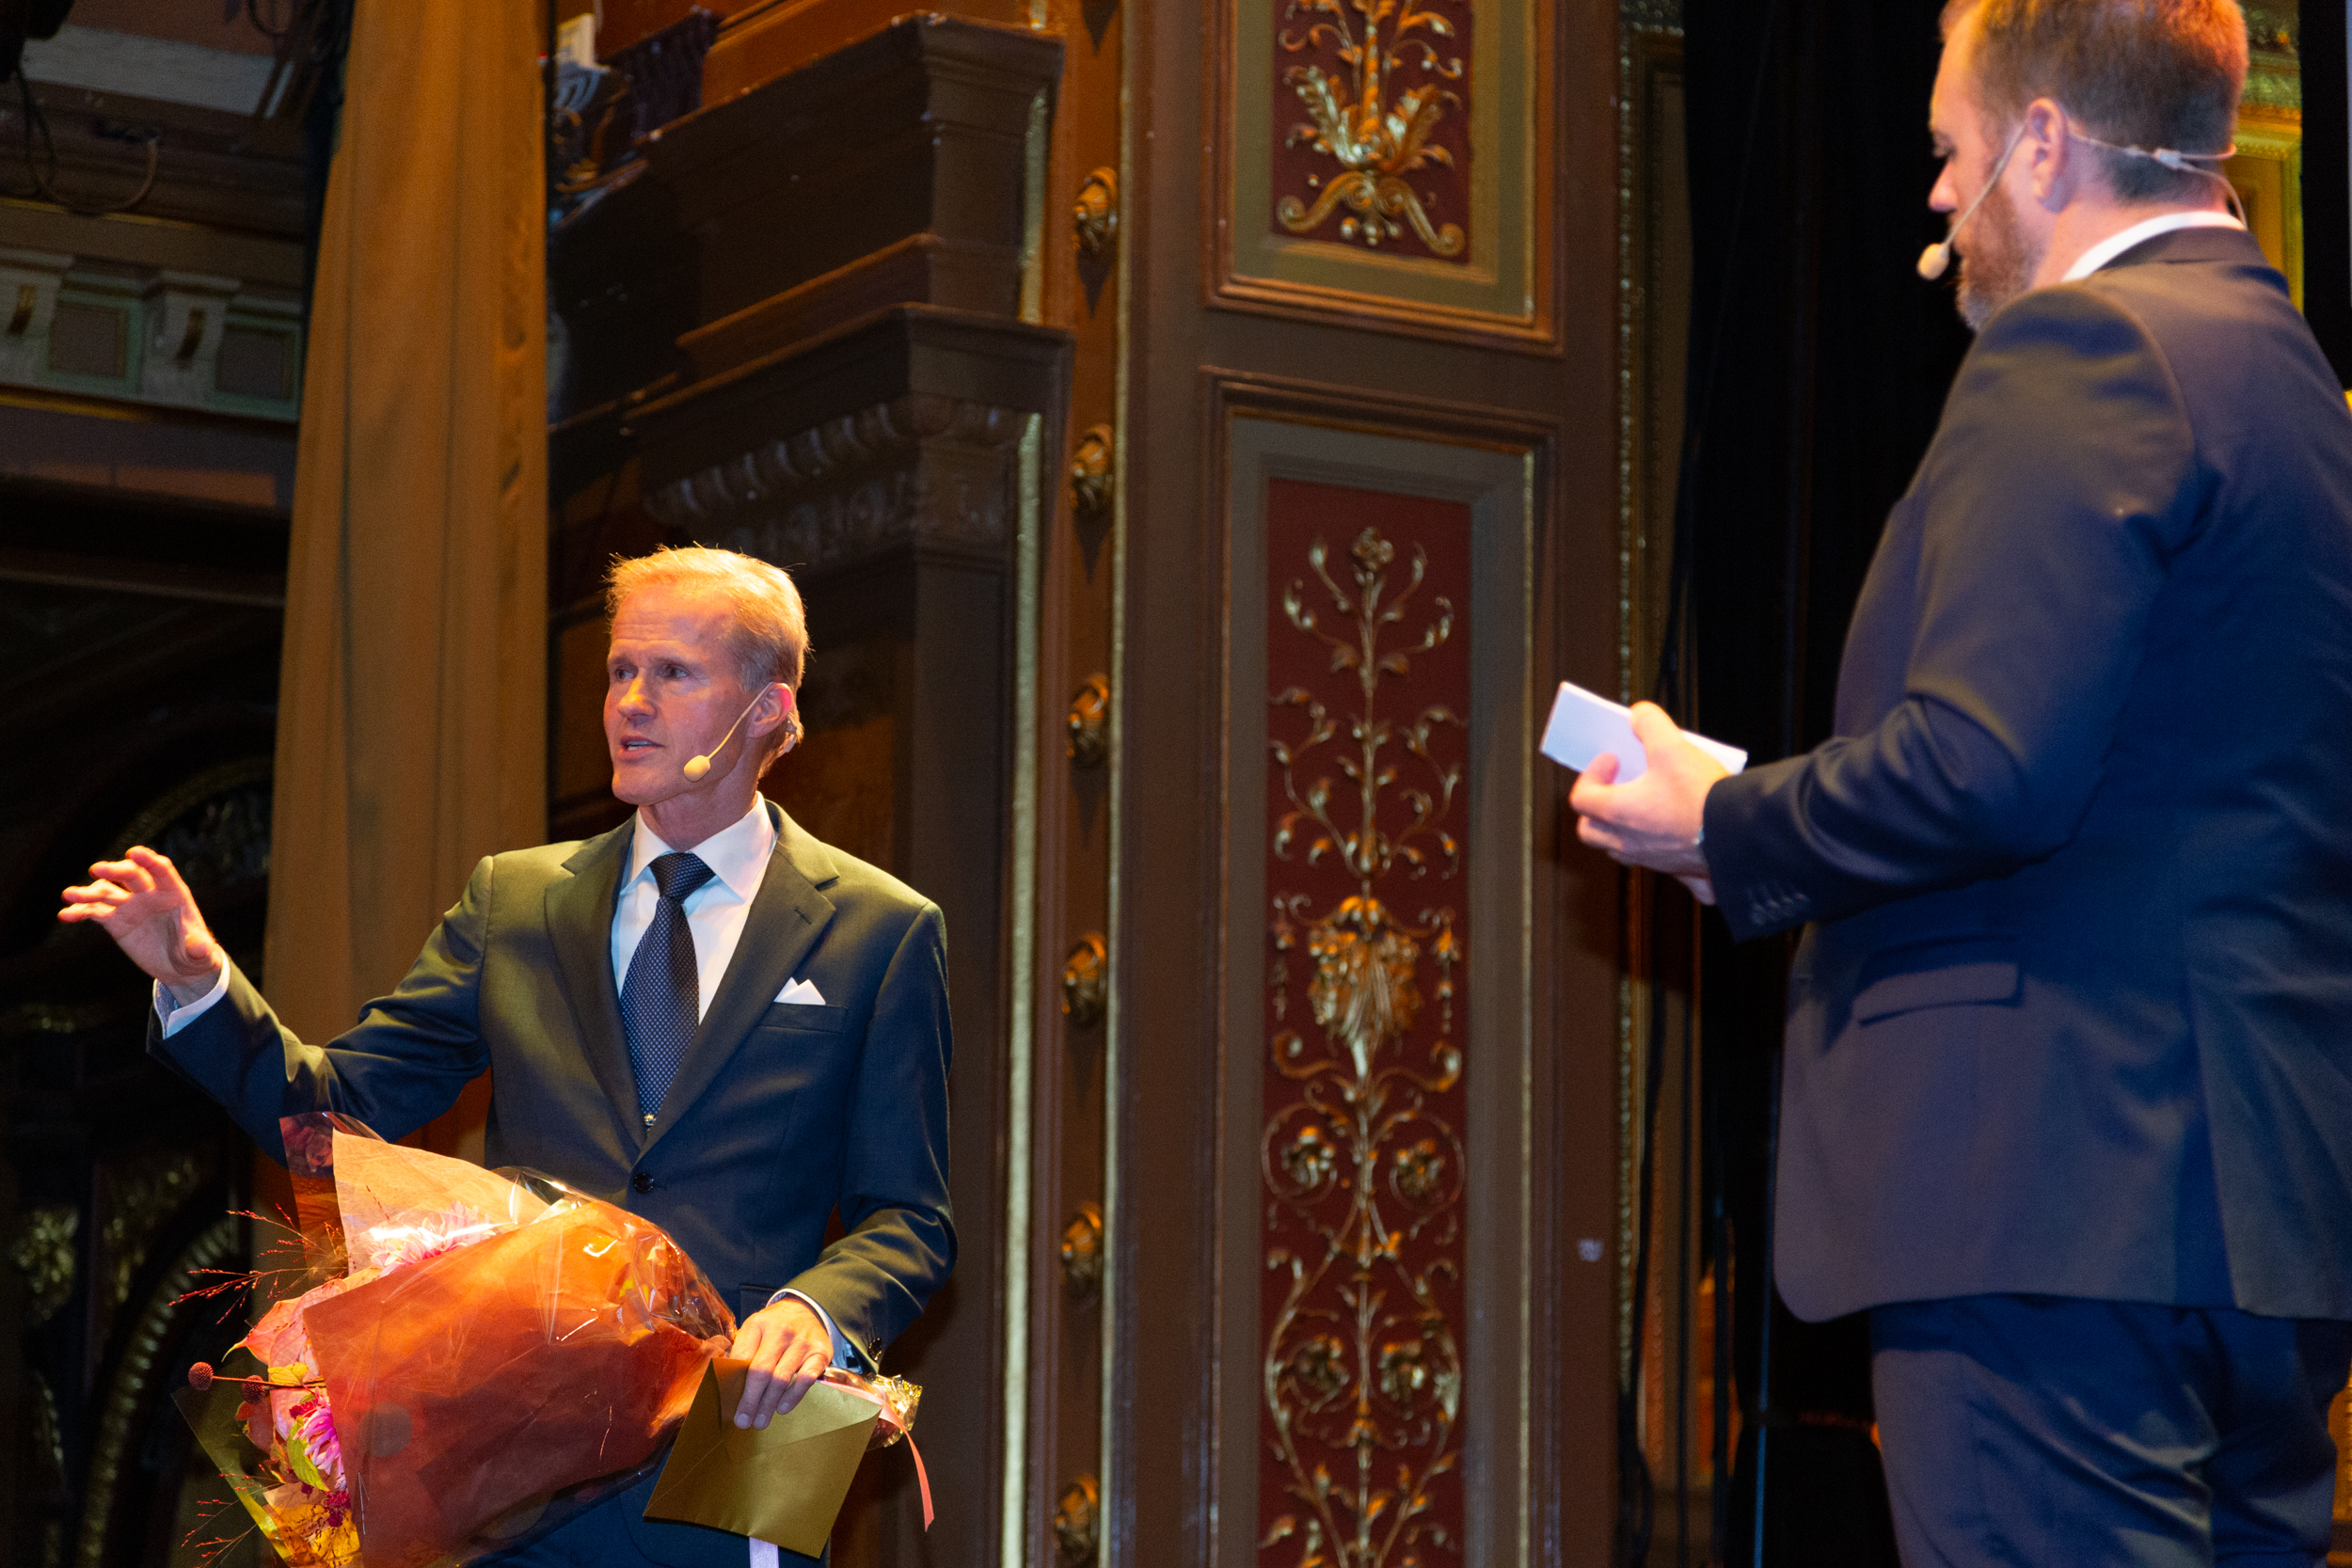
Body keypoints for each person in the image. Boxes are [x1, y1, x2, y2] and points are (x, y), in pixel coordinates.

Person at [1572, 0, 2352, 1561]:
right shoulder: (2292, 380)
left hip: (2046, 1196)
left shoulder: (2082, 343)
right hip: (2265, 1212)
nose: (1936, 193)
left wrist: (1719, 819)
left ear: (2043, 143)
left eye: (1950, 149)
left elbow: (1985, 765)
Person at [61, 545, 952, 1568]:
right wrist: (202, 983)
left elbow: (910, 1217)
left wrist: (816, 1310)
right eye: (621, 669)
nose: (631, 702)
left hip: (747, 1446)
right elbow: (336, 1112)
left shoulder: (881, 929)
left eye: (673, 672)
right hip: (514, 1460)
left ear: (766, 708)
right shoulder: (515, 901)